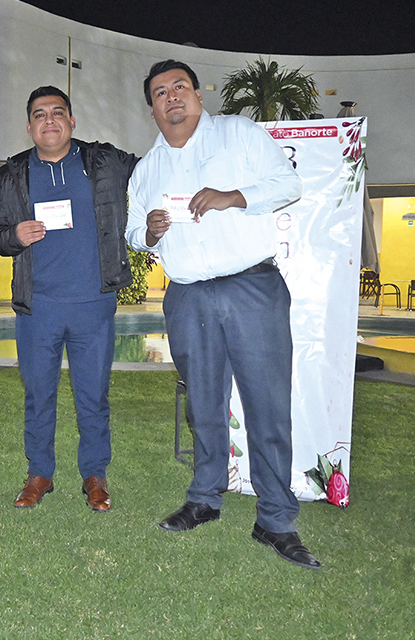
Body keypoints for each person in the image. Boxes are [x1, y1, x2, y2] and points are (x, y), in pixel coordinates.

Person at [126, 60, 321, 570]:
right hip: (188, 295)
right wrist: (148, 231)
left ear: (197, 94)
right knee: (204, 404)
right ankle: (204, 498)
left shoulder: (239, 134)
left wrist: (234, 197)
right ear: (151, 108)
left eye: (180, 87)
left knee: (267, 404)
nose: (171, 97)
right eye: (160, 92)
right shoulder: (147, 169)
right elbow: (132, 233)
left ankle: (275, 518)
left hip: (251, 286)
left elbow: (288, 184)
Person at [0, 86, 137, 512]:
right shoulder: (11, 174)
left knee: (93, 396)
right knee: (38, 395)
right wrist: (14, 236)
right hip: (39, 307)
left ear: (72, 121)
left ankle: (95, 475)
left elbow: (154, 170)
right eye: (39, 114)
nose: (49, 120)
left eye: (57, 112)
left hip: (93, 304)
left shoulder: (103, 161)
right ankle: (40, 474)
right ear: (29, 126)